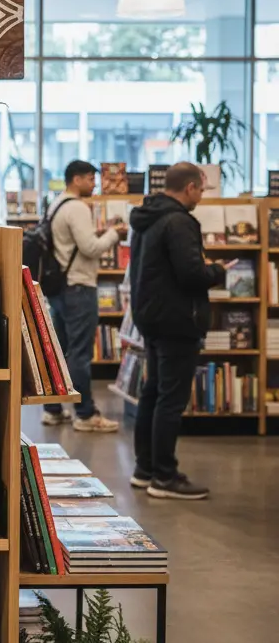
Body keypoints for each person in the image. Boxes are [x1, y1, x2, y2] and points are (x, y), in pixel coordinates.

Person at [128, 162, 230, 499]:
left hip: (152, 317)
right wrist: (216, 270)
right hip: (177, 320)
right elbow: (190, 274)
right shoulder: (180, 222)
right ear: (189, 187)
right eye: (201, 189)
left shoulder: (146, 218)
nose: (201, 196)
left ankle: (145, 469)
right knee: (171, 399)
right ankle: (165, 477)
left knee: (154, 392)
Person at [41, 160, 128, 432]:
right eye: (91, 179)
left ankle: (53, 409)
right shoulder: (77, 207)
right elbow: (90, 249)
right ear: (76, 179)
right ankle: (86, 414)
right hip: (79, 286)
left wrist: (98, 233)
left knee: (59, 350)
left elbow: (69, 242)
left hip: (59, 287)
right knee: (79, 353)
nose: (95, 184)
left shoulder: (57, 204)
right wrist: (115, 234)